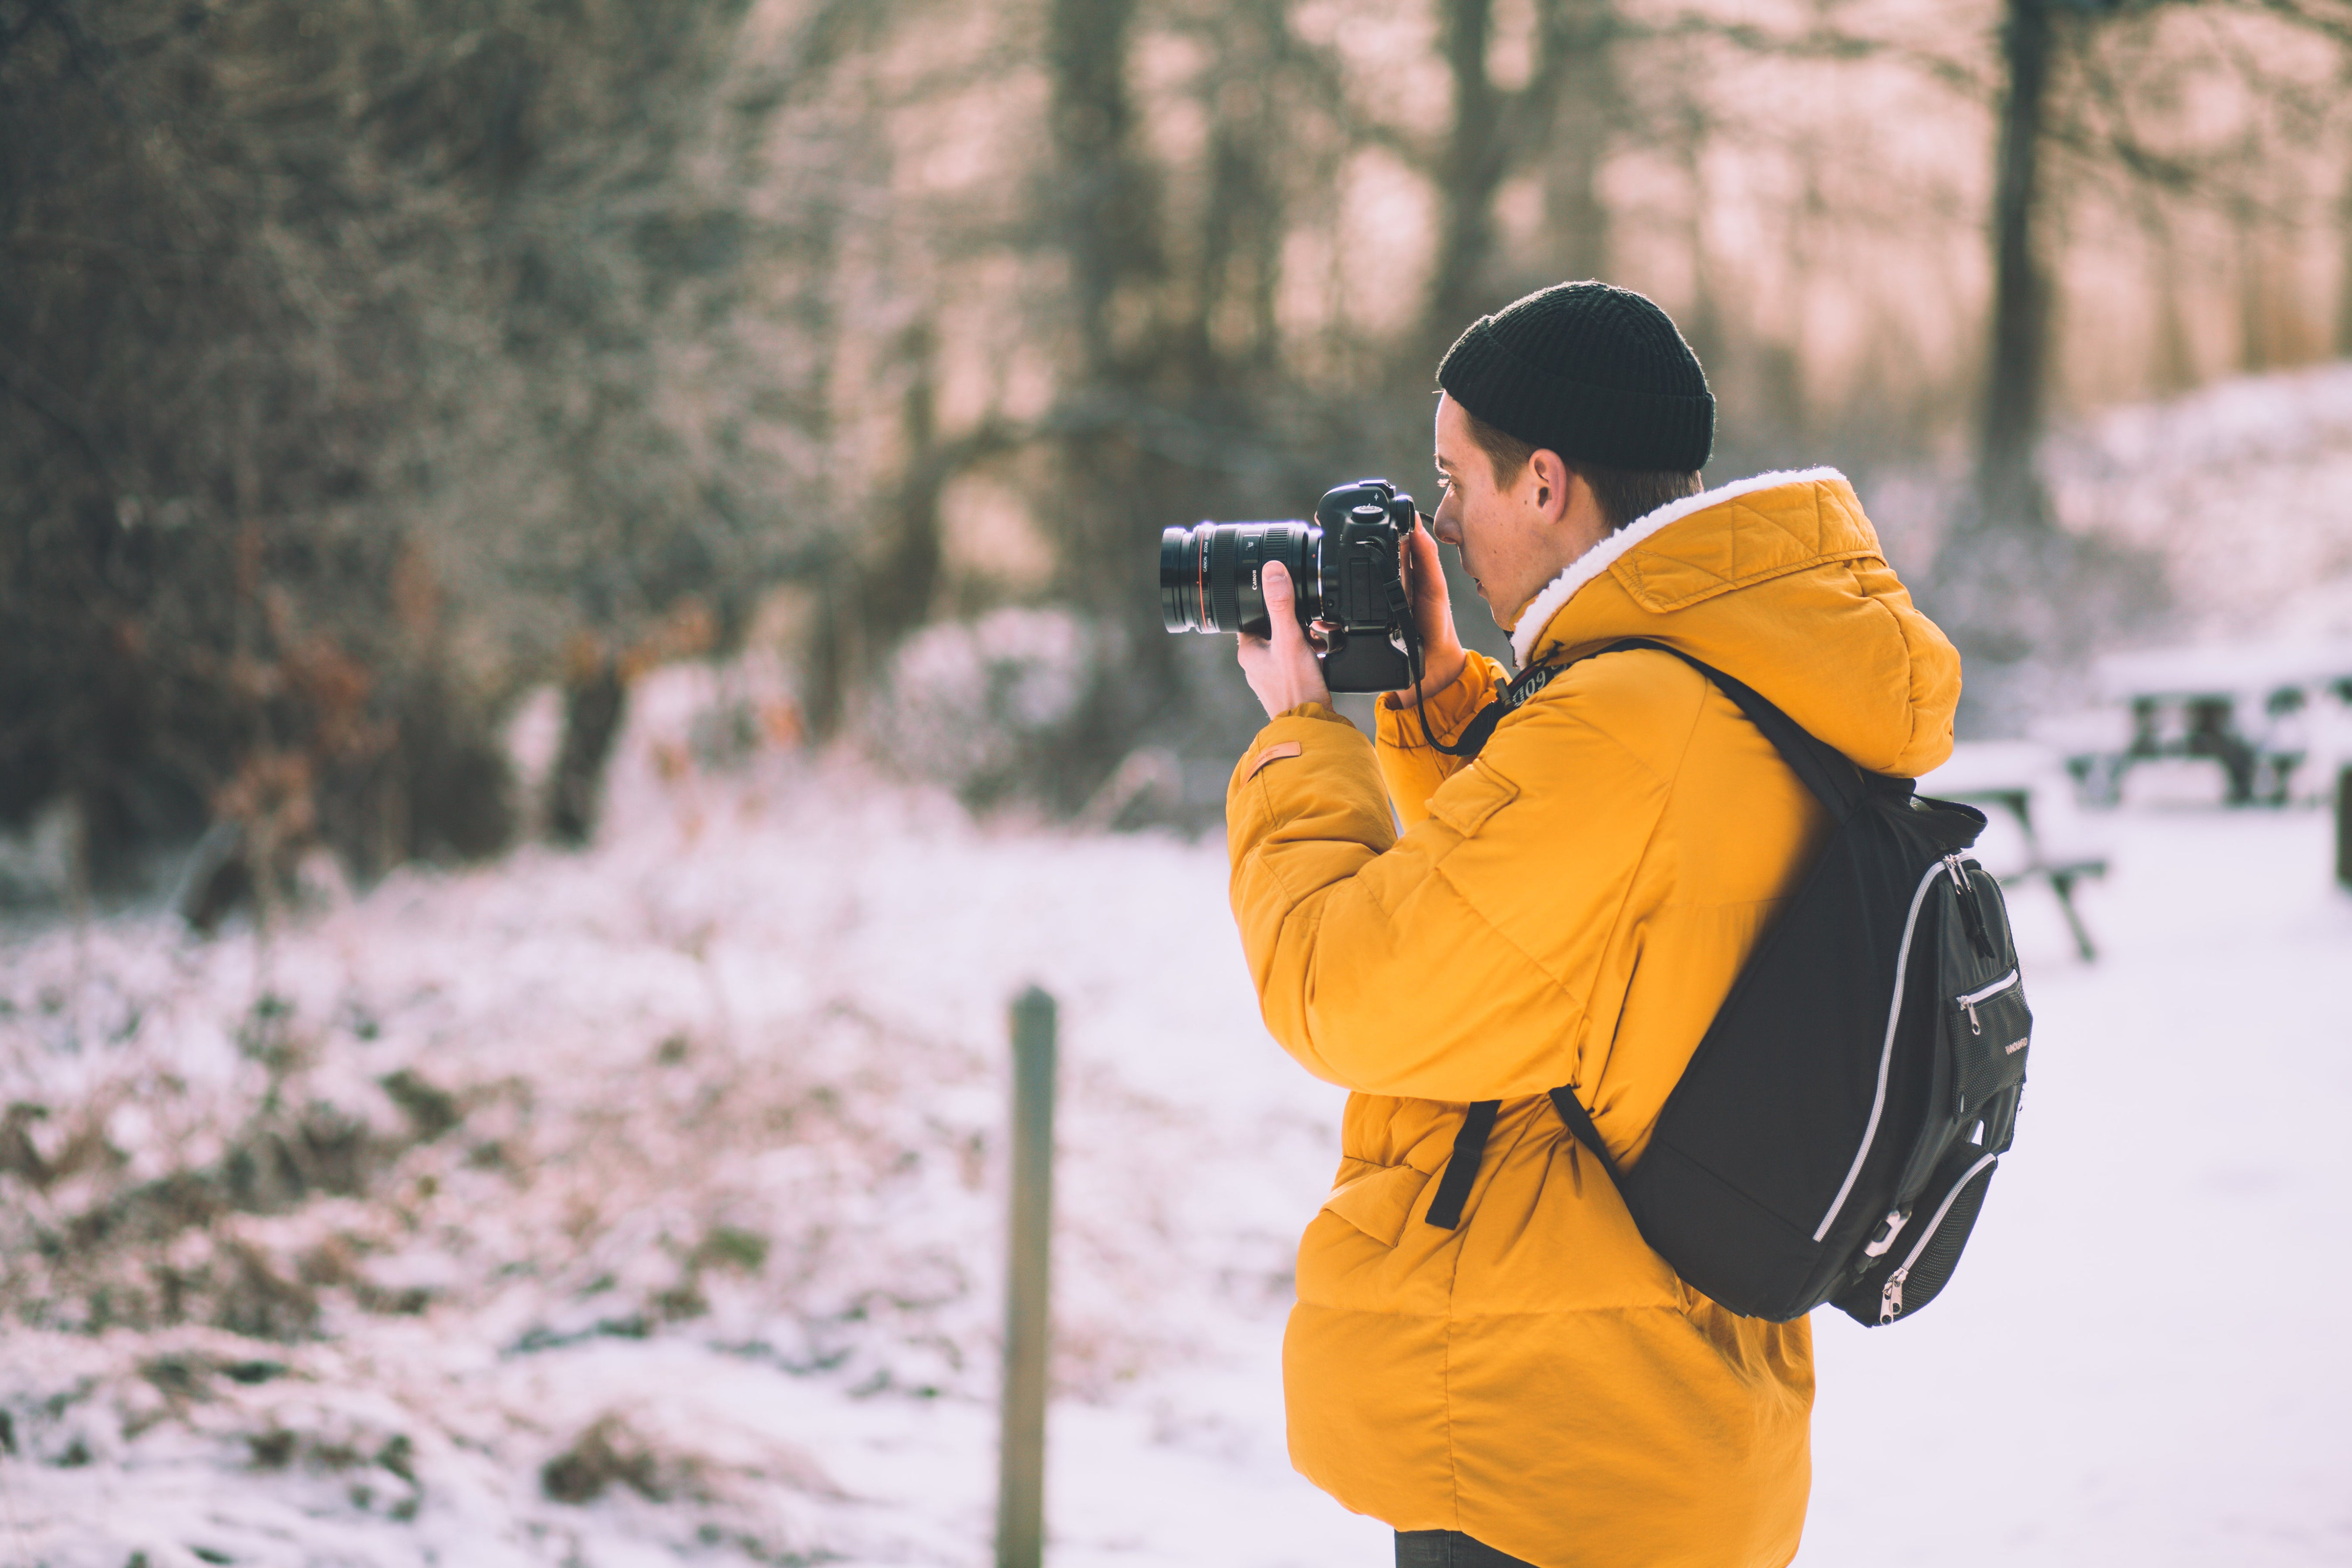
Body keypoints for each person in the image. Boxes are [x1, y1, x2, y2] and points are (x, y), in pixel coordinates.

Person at [1224, 280, 1962, 1568]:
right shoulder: (1730, 675)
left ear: (1549, 483)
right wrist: (1446, 694)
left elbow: (1342, 989)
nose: (1440, 525)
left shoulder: (1624, 732)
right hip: (1656, 1415)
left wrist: (1300, 736)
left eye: (1456, 480)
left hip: (1548, 1449)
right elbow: (1583, 937)